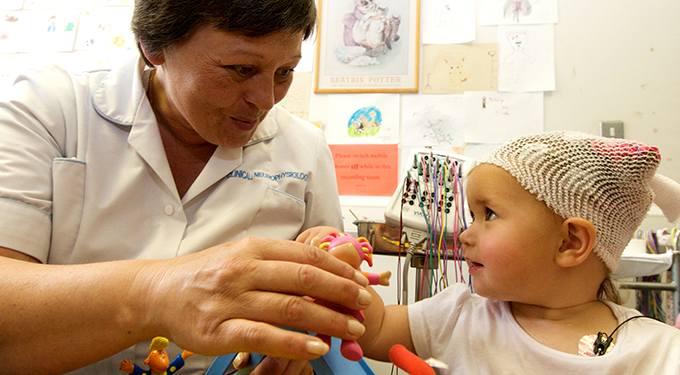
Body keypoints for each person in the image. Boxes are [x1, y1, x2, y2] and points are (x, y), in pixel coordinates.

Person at [0, 1, 372, 374]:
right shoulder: (50, 110)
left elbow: (330, 304)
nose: (265, 100)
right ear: (154, 44)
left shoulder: (304, 149)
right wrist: (157, 293)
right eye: (241, 69)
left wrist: (304, 342)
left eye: (285, 71)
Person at [357, 131, 680, 373]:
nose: (466, 235)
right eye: (472, 216)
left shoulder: (660, 353)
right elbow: (376, 328)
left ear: (570, 243)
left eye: (490, 215)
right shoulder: (455, 317)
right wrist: (342, 264)